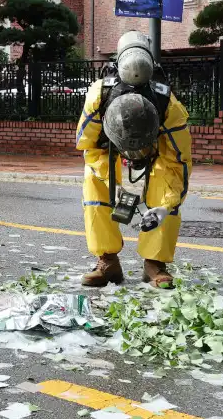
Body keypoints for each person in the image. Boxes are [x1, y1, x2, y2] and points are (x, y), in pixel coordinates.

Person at [74, 31, 192, 289]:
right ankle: (107, 261)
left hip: (156, 150)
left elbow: (179, 161)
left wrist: (165, 207)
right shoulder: (99, 96)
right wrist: (112, 182)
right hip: (108, 150)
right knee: (92, 181)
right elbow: (88, 145)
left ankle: (155, 263)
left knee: (164, 180)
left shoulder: (167, 104)